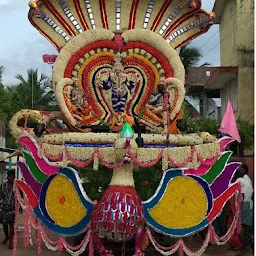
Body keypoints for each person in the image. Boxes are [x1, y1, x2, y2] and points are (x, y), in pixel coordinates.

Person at [228, 167, 253, 254]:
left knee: (240, 227)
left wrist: (237, 210)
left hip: (242, 205)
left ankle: (243, 248)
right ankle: (245, 247)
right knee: (246, 227)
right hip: (247, 205)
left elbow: (240, 196)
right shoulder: (246, 181)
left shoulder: (239, 181)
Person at [0, 170, 21, 249]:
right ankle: (6, 237)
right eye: (10, 176)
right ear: (7, 177)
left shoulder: (16, 186)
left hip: (12, 208)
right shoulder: (2, 185)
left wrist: (21, 206)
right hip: (3, 208)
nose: (11, 178)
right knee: (4, 224)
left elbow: (20, 195)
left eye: (13, 176)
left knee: (11, 225)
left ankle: (11, 242)